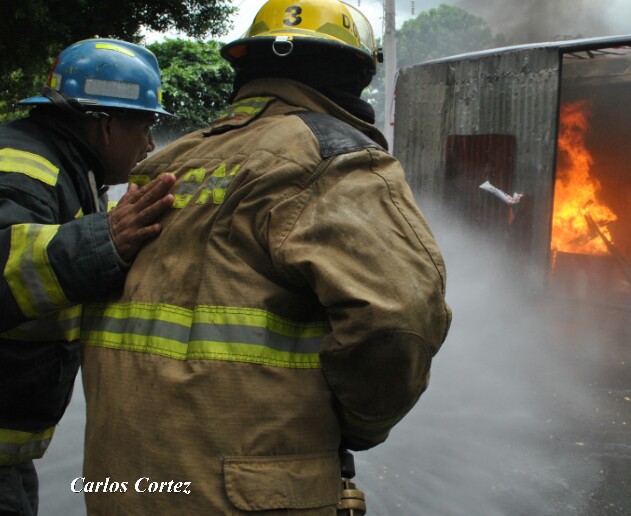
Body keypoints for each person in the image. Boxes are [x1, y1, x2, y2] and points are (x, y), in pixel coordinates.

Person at [80, 0, 451, 514]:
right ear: (355, 76)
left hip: (123, 484)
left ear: (247, 67)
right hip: (243, 493)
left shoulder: (169, 162)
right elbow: (397, 320)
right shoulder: (331, 158)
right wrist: (362, 425)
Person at [0, 39, 176, 515]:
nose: (150, 145)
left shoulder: (64, 167)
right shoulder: (22, 171)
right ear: (105, 126)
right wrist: (104, 242)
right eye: (145, 126)